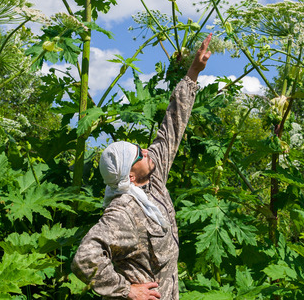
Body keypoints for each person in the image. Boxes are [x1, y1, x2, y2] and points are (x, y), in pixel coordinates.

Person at [72, 34, 213, 300]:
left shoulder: (153, 179)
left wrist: (193, 71)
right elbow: (85, 257)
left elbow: (171, 125)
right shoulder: (123, 211)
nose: (146, 150)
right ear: (129, 174)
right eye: (138, 153)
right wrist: (126, 291)